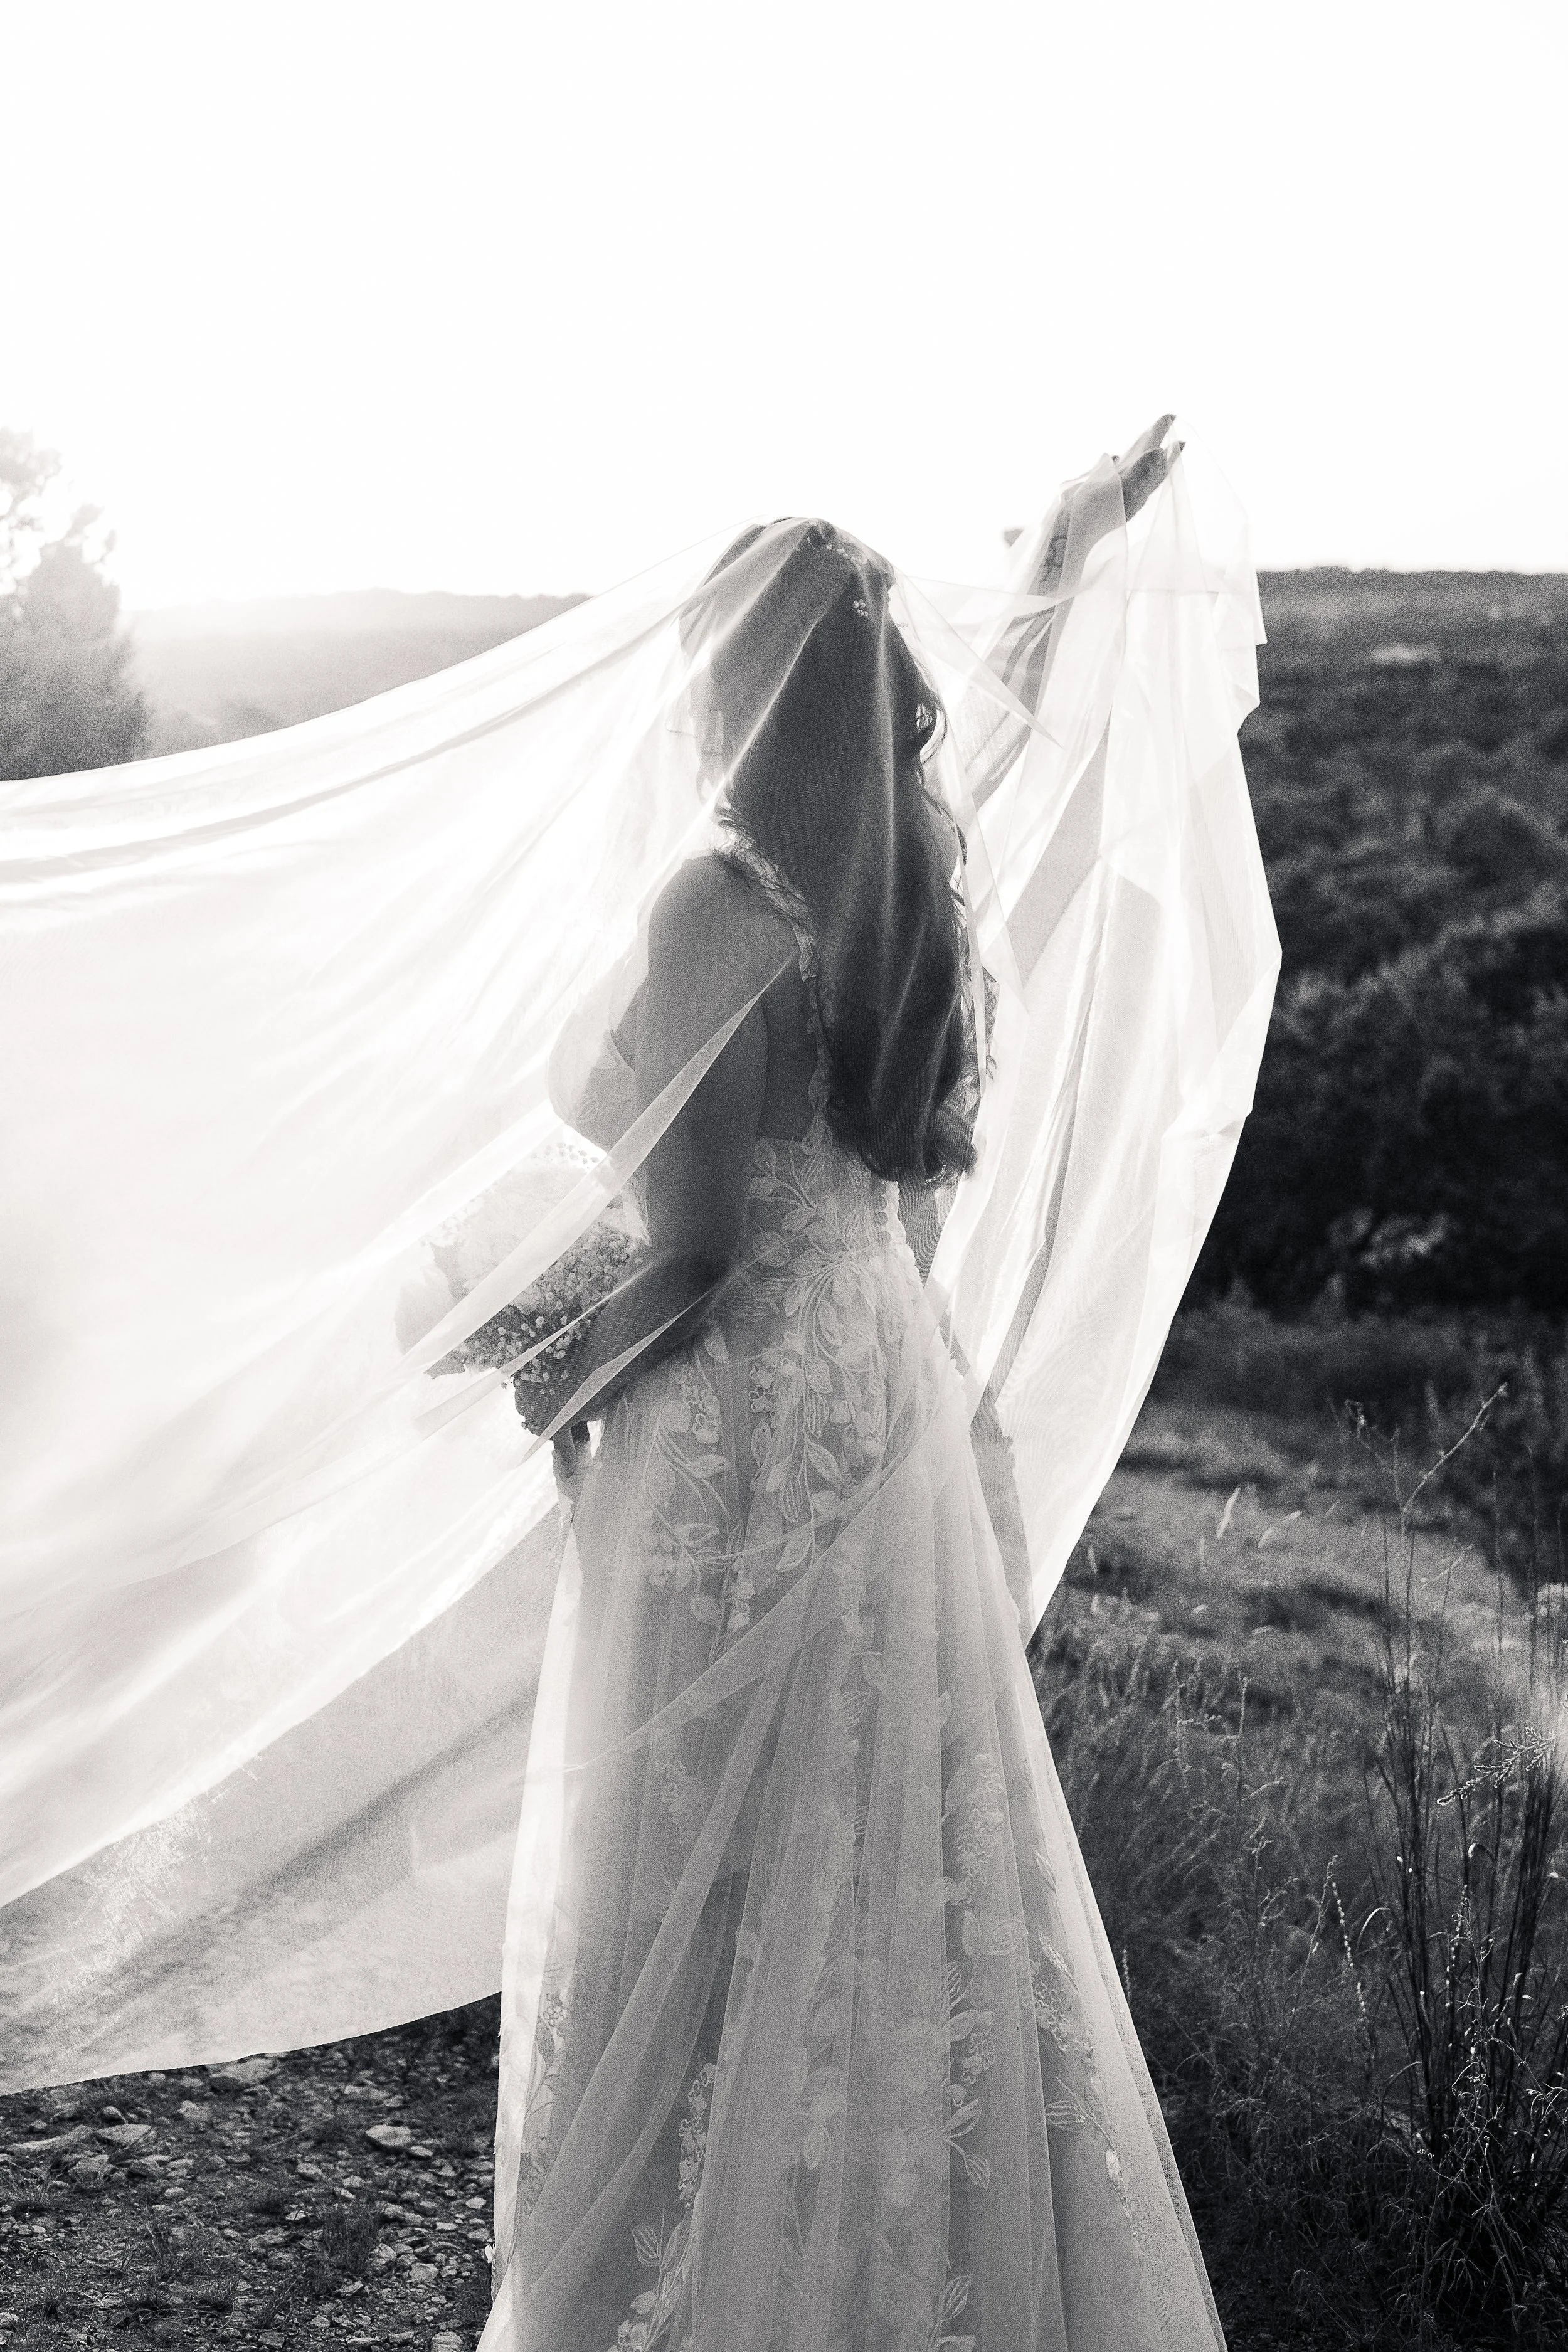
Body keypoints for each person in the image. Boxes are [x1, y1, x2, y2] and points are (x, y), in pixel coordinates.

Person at [0, 423, 1275, 2351]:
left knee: (691, 1851)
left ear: (737, 686)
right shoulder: (911, 879)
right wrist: (1074, 542)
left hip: (746, 1418)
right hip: (885, 1409)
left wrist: (548, 1375)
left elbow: (686, 1246)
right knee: (887, 1845)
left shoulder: (719, 903)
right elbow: (1007, 733)